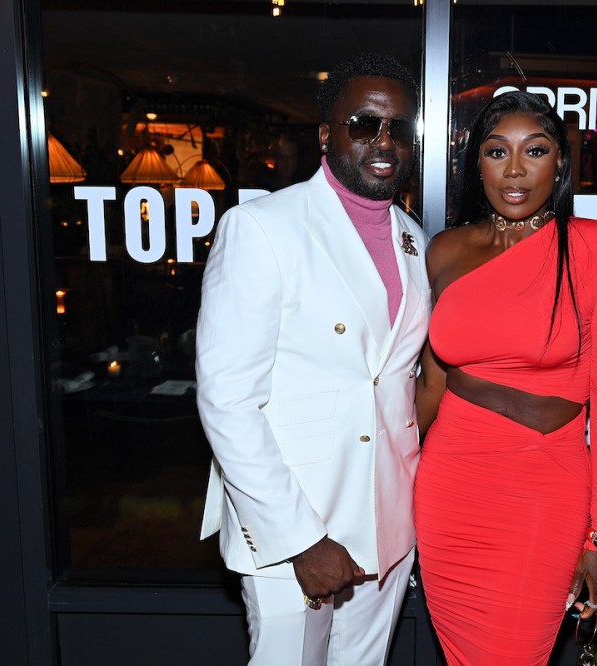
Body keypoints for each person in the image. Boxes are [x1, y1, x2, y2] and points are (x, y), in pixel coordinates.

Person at [195, 53, 429, 665]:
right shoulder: (262, 227)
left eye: (400, 128)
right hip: (294, 519)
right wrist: (299, 539)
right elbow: (227, 399)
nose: (384, 141)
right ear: (326, 134)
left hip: (386, 520)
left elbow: (397, 382)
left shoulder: (414, 238)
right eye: (364, 124)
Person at [414, 91, 597, 665]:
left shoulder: (595, 249)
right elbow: (429, 387)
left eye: (534, 151)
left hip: (543, 492)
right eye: (497, 152)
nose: (514, 170)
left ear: (560, 163)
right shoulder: (443, 251)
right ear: (477, 164)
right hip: (448, 489)